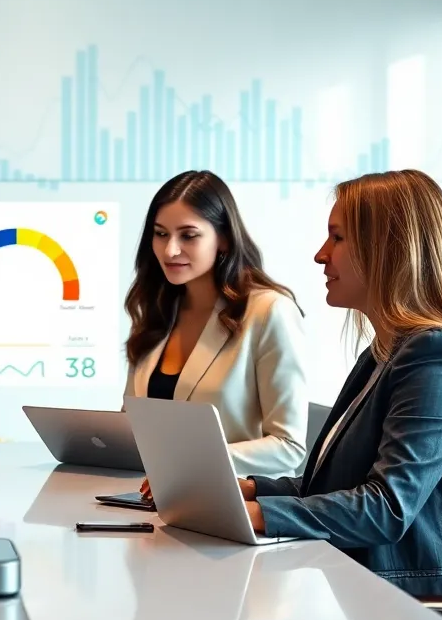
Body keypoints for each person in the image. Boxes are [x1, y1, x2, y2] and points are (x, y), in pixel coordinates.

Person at [239, 169, 442, 620]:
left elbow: (385, 508)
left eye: (337, 237)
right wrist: (246, 489)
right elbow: (331, 485)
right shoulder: (385, 352)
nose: (320, 255)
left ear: (388, 249)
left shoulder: (439, 356)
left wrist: (257, 515)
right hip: (360, 595)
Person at [127, 170, 309, 499]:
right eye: (160, 234)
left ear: (223, 238)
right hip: (160, 500)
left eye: (188, 235)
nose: (169, 250)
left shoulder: (269, 311)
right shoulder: (158, 311)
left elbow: (289, 446)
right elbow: (139, 423)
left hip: (234, 504)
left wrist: (189, 465)